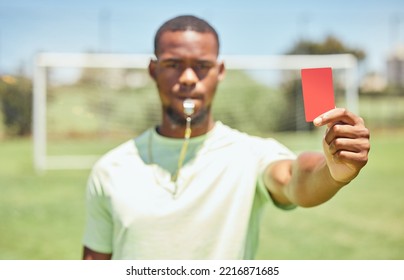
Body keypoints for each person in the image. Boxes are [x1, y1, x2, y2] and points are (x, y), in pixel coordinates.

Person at [82, 15, 370, 260]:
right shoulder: (110, 168)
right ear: (153, 70)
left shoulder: (250, 154)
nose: (188, 78)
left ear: (219, 72)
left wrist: (332, 172)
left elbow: (295, 178)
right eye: (173, 65)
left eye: (202, 66)